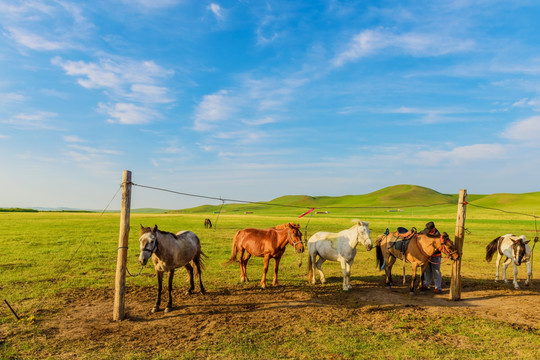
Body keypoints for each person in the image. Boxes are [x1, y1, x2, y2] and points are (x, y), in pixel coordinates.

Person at [419, 221, 442, 293]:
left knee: (436, 271)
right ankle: (427, 284)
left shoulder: (437, 235)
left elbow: (438, 247)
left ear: (433, 228)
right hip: (427, 256)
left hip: (436, 256)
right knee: (427, 270)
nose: (428, 231)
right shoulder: (427, 230)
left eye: (430, 230)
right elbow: (421, 232)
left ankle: (438, 287)